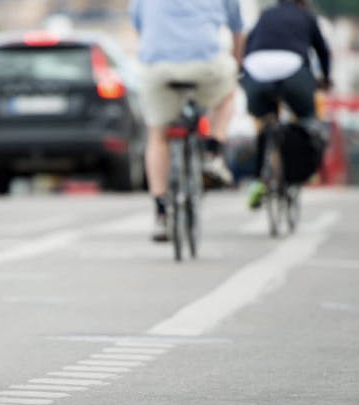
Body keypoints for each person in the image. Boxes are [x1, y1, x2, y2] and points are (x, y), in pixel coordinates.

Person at [129, 0, 246, 242]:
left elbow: (140, 28)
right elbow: (237, 31)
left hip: (158, 67)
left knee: (158, 135)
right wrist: (238, 66)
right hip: (206, 64)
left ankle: (161, 211)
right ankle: (213, 153)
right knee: (228, 94)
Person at [240, 0, 332, 209]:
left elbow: (248, 45)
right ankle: (304, 167)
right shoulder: (306, 16)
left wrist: (245, 76)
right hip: (293, 70)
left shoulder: (265, 14)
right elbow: (322, 51)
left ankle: (259, 180)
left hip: (256, 70)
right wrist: (326, 79)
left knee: (265, 121)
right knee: (307, 117)